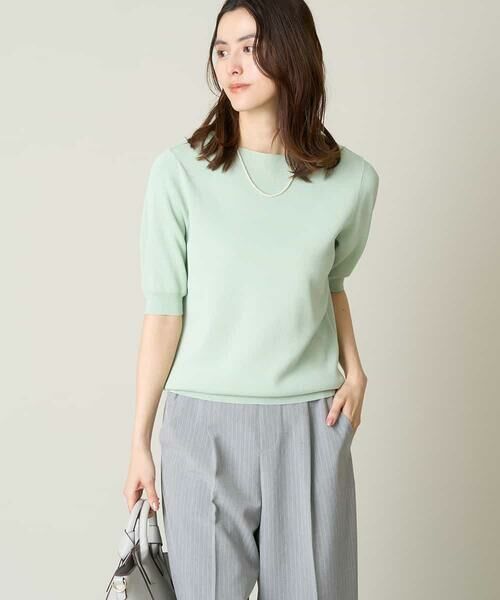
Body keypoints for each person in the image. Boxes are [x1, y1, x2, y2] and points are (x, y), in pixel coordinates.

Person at [124, 1, 379, 598]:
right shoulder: (179, 173)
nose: (231, 65)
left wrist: (355, 367)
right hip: (202, 429)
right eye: (222, 50)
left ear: (293, 53)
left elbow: (331, 283)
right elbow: (164, 311)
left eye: (250, 47)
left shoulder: (352, 181)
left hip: (310, 424)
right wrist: (139, 439)